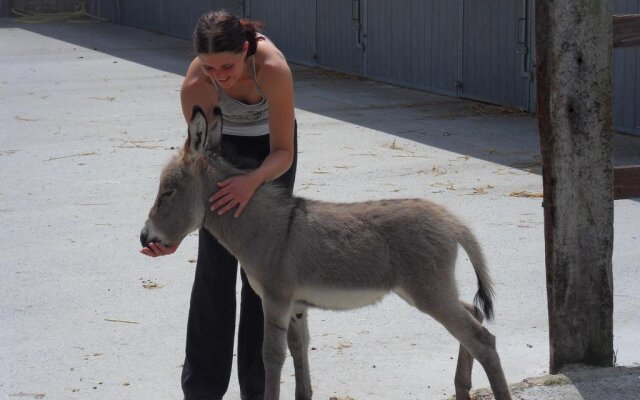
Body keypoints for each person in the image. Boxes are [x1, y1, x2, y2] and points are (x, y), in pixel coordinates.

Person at [140, 9, 297, 400]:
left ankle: (259, 390)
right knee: (214, 268)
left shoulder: (272, 69)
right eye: (210, 68)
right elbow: (194, 159)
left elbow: (283, 151)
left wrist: (251, 183)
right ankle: (202, 390)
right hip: (220, 154)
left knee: (260, 275)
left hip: (269, 156)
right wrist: (176, 229)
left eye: (227, 66)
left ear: (245, 50)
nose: (220, 76)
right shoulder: (196, 85)